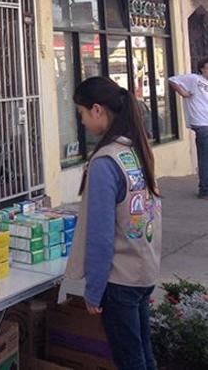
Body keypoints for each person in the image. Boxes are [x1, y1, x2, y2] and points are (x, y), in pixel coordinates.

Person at [66, 76, 162, 370]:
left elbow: (100, 234)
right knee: (143, 352)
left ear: (97, 110)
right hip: (142, 272)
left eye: (81, 113)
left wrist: (93, 290)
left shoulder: (105, 162)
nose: (81, 122)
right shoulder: (133, 150)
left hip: (118, 280)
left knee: (130, 359)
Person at [168, 57, 208, 199]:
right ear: (202, 69)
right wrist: (183, 93)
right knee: (205, 157)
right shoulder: (194, 79)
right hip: (201, 123)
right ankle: (205, 190)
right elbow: (172, 79)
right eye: (207, 68)